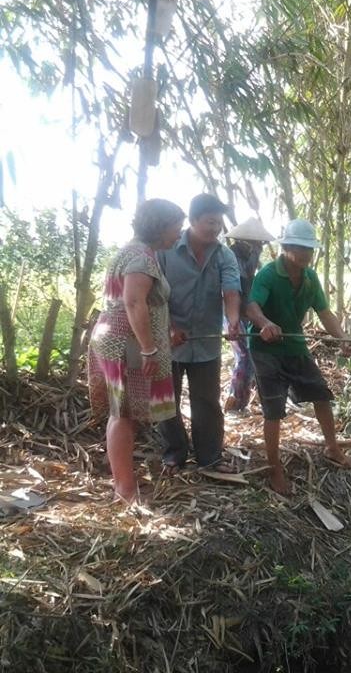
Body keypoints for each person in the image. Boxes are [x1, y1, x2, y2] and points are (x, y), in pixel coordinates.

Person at [246, 219, 351, 494]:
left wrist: (342, 337)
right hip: (266, 350)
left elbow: (324, 312)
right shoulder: (269, 274)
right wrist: (265, 324)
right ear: (287, 247)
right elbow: (252, 307)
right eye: (300, 248)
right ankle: (274, 469)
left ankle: (332, 447)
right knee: (273, 410)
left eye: (310, 249)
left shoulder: (310, 278)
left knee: (320, 393)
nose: (306, 254)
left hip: (294, 346)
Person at [88, 199, 186, 503]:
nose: (178, 234)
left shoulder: (135, 251)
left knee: (122, 413)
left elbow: (145, 303)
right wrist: (147, 348)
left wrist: (163, 337)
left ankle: (123, 481)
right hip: (126, 343)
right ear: (159, 227)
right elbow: (133, 302)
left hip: (119, 338)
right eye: (175, 227)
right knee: (124, 415)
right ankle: (125, 489)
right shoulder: (142, 258)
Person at [157, 194, 242, 473]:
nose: (216, 228)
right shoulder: (165, 249)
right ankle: (174, 453)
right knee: (167, 399)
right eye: (210, 222)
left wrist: (232, 321)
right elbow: (154, 295)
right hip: (168, 339)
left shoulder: (224, 254)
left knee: (206, 401)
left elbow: (230, 289)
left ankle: (209, 458)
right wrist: (168, 328)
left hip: (206, 342)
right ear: (192, 221)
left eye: (219, 222)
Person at [222, 218, 275, 413]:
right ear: (247, 242)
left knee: (247, 357)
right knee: (244, 356)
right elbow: (237, 288)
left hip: (245, 313)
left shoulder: (249, 256)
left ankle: (239, 401)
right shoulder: (234, 257)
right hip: (233, 313)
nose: (260, 247)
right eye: (257, 243)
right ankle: (235, 402)